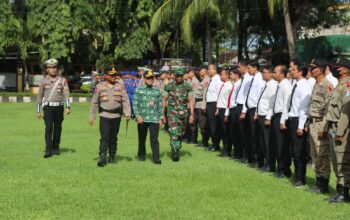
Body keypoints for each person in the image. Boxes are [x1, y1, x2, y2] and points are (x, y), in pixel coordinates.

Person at [89, 67, 131, 167]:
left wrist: (127, 112)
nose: (113, 77)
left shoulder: (120, 86)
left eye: (115, 75)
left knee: (113, 138)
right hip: (104, 116)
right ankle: (102, 157)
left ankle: (112, 155)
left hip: (116, 116)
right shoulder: (99, 86)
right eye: (111, 75)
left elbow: (125, 100)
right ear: (106, 76)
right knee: (104, 137)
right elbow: (95, 102)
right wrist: (92, 117)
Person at [306, 59, 334, 194]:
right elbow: (313, 106)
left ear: (321, 69)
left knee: (322, 154)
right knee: (315, 155)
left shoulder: (327, 86)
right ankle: (318, 182)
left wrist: (324, 127)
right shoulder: (316, 84)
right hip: (312, 123)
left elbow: (328, 110)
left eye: (314, 68)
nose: (311, 70)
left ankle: (323, 184)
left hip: (320, 124)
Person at [326, 58, 350, 203]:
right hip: (333, 127)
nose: (335, 70)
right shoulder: (339, 85)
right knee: (335, 161)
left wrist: (340, 132)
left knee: (342, 161)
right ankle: (340, 190)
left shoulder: (347, 86)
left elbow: (346, 112)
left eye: (338, 68)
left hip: (341, 129)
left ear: (346, 69)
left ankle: (344, 192)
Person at [37, 58, 71, 158]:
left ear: (57, 68)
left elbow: (66, 94)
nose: (52, 69)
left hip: (59, 108)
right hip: (48, 108)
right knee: (48, 128)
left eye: (54, 67)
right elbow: (39, 96)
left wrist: (68, 106)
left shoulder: (62, 80)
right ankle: (48, 150)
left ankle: (56, 148)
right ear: (47, 69)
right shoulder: (43, 81)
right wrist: (38, 111)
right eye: (50, 67)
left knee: (57, 129)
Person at [287, 61, 312, 187]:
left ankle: (301, 178)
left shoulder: (304, 86)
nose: (292, 71)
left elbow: (304, 107)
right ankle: (297, 175)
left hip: (298, 120)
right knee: (294, 151)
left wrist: (301, 126)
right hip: (292, 119)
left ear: (301, 72)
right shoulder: (296, 84)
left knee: (299, 152)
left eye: (294, 69)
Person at [163, 67, 194, 161]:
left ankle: (176, 147)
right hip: (171, 112)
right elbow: (164, 100)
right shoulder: (168, 85)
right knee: (173, 131)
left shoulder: (188, 86)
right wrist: (162, 114)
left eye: (181, 76)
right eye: (178, 76)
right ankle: (175, 152)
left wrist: (192, 114)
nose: (180, 78)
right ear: (175, 76)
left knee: (180, 133)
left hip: (183, 113)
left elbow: (191, 100)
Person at [133, 71, 163, 164]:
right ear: (144, 79)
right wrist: (138, 116)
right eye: (148, 78)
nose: (150, 80)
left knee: (154, 139)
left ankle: (156, 158)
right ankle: (141, 156)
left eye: (152, 78)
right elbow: (135, 104)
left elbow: (160, 105)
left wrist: (161, 118)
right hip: (142, 118)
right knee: (142, 138)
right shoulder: (139, 89)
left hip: (154, 119)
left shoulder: (157, 91)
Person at [242, 60, 266, 166]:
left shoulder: (260, 79)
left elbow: (259, 98)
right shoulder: (252, 79)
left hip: (255, 110)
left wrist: (256, 112)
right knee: (250, 135)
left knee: (255, 136)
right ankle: (251, 157)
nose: (247, 70)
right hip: (249, 109)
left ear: (255, 68)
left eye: (249, 68)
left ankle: (258, 160)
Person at [255, 65, 278, 171]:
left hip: (266, 116)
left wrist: (268, 117)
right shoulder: (266, 84)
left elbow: (271, 103)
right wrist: (256, 112)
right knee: (261, 141)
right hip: (261, 114)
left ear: (270, 74)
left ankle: (270, 164)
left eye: (264, 72)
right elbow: (260, 100)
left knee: (267, 141)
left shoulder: (273, 85)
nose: (262, 74)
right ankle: (266, 161)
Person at [216, 68, 234, 157]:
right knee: (222, 131)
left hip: (225, 110)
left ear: (227, 75)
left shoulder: (229, 86)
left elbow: (228, 101)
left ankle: (227, 150)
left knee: (226, 132)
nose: (220, 75)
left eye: (222, 74)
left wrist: (226, 114)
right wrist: (217, 109)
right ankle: (224, 149)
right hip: (221, 109)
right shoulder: (223, 85)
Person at [205, 64, 222, 151]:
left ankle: (216, 144)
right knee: (210, 125)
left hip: (214, 104)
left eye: (209, 69)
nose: (208, 71)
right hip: (209, 104)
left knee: (214, 125)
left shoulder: (217, 80)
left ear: (214, 70)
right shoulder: (212, 80)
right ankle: (214, 143)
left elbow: (219, 93)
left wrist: (217, 107)